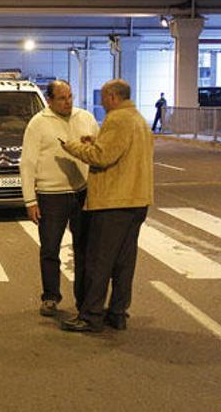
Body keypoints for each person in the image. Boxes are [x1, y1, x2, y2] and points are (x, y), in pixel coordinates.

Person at [60, 79, 154, 333]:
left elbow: (101, 157)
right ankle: (118, 313)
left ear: (112, 96)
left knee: (98, 262)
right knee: (124, 262)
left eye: (103, 97)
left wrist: (73, 147)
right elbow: (120, 150)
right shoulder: (139, 120)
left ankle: (91, 316)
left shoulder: (117, 118)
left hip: (114, 202)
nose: (101, 102)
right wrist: (96, 141)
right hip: (137, 200)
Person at [20, 80, 99, 317]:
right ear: (50, 100)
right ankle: (51, 297)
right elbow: (28, 163)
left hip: (81, 193)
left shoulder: (85, 118)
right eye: (62, 98)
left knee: (83, 249)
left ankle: (83, 298)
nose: (68, 102)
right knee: (50, 248)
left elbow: (100, 151)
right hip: (50, 196)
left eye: (70, 96)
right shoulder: (38, 124)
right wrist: (30, 200)